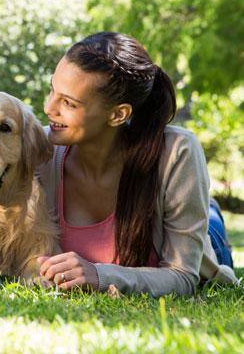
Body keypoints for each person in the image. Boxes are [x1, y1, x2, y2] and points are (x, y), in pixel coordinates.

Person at [36, 32, 238, 296]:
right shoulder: (39, 152)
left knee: (209, 222)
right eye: (52, 89)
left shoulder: (177, 151)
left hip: (203, 249)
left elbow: (183, 276)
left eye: (69, 103)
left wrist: (99, 275)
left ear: (118, 114)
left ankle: (210, 210)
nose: (50, 108)